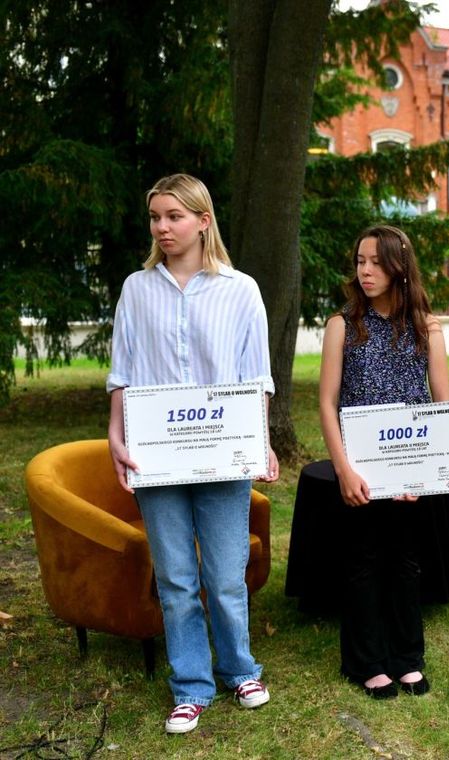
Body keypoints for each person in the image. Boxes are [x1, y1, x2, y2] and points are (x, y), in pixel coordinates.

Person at [107, 173, 278, 734]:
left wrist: (263, 443)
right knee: (177, 578)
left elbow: (257, 377)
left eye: (173, 217)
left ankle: (239, 669)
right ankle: (191, 685)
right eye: (155, 217)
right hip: (156, 456)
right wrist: (117, 435)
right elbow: (123, 372)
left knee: (226, 573)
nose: (162, 227)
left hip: (222, 454)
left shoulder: (241, 289)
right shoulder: (137, 288)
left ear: (203, 221)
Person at [318, 225, 449, 699]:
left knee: (406, 563)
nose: (365, 270)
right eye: (359, 261)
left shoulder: (427, 327)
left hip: (410, 465)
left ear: (399, 266)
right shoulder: (343, 323)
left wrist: (426, 471)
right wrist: (343, 469)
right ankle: (368, 661)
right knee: (363, 563)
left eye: (375, 261)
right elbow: (327, 403)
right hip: (361, 467)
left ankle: (407, 657)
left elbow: (441, 405)